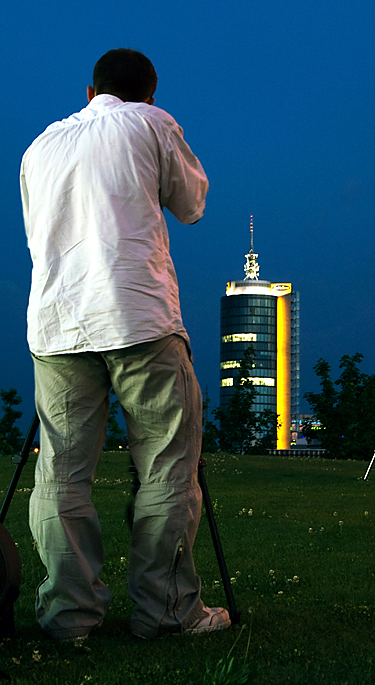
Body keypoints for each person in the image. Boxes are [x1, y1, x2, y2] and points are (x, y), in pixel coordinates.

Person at [20, 48, 230, 641]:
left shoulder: (40, 146)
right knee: (165, 466)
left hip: (59, 325)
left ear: (89, 93)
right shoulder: (150, 123)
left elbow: (40, 232)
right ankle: (165, 612)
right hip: (138, 316)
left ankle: (68, 618)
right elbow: (191, 205)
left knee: (61, 474)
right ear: (151, 94)